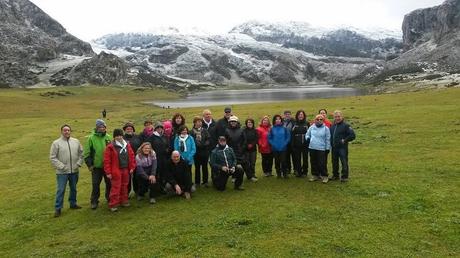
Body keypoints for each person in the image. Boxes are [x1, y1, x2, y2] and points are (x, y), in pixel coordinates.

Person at [49, 124, 84, 217]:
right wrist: (62, 167)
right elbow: (52, 158)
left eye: (68, 130)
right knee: (61, 190)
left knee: (73, 188)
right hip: (62, 172)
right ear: (61, 132)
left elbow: (82, 154)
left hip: (74, 171)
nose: (67, 132)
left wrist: (78, 164)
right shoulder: (56, 143)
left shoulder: (76, 141)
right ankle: (58, 208)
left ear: (70, 131)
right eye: (65, 130)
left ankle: (73, 204)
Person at [104, 129, 136, 212]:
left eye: (120, 135)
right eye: (117, 136)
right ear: (114, 137)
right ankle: (113, 204)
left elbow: (132, 156)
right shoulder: (110, 147)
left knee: (124, 186)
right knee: (116, 187)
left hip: (126, 169)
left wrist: (132, 167)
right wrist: (108, 172)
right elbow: (107, 161)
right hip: (116, 170)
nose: (119, 137)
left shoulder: (127, 145)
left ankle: (124, 201)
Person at [84, 119, 112, 210]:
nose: (102, 128)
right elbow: (87, 153)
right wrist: (90, 165)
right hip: (96, 167)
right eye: (100, 127)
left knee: (109, 183)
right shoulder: (91, 138)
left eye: (103, 127)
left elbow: (113, 151)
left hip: (107, 166)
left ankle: (109, 198)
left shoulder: (108, 137)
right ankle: (94, 201)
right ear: (97, 127)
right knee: (95, 184)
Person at [330, 110, 356, 182]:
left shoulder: (346, 126)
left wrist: (344, 140)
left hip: (342, 148)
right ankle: (335, 175)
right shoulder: (332, 126)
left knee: (344, 162)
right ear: (334, 117)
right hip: (334, 147)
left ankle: (344, 177)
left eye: (339, 116)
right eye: (336, 117)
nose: (337, 118)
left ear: (342, 117)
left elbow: (352, 135)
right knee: (334, 162)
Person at [306, 115, 331, 183]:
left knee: (322, 163)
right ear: (315, 120)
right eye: (317, 119)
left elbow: (327, 139)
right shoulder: (311, 127)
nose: (319, 120)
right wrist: (307, 138)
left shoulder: (326, 129)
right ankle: (315, 175)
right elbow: (307, 134)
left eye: (321, 119)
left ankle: (325, 176)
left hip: (321, 148)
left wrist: (327, 148)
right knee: (313, 162)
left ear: (323, 120)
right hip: (312, 147)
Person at [146, 122, 170, 187]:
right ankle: (155, 188)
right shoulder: (152, 137)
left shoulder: (165, 136)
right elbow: (148, 147)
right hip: (155, 158)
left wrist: (167, 149)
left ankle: (162, 187)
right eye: (158, 127)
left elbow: (168, 145)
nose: (159, 129)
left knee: (163, 173)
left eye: (161, 127)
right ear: (155, 129)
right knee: (156, 173)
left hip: (164, 158)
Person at [189, 116, 211, 187]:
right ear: (195, 122)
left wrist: (205, 144)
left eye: (201, 121)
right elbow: (191, 141)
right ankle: (197, 182)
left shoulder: (204, 130)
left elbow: (208, 139)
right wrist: (196, 144)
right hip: (196, 153)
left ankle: (205, 182)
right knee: (197, 168)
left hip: (204, 152)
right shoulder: (191, 131)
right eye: (198, 121)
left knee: (205, 167)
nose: (200, 123)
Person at [123, 122, 142, 196]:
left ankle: (137, 191)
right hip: (126, 161)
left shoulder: (137, 137)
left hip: (137, 160)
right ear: (125, 130)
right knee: (127, 178)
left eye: (131, 129)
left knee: (136, 176)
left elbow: (141, 147)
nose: (129, 130)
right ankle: (126, 192)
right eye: (127, 129)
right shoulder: (122, 138)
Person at [291, 110, 310, 177]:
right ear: (297, 116)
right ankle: (298, 171)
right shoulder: (294, 124)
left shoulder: (307, 123)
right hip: (296, 145)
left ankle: (305, 172)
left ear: (304, 116)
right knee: (297, 159)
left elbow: (309, 134)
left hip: (305, 145)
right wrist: (292, 144)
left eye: (302, 114)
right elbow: (292, 134)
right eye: (299, 114)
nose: (300, 116)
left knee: (305, 159)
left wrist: (308, 143)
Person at [282, 110, 295, 175]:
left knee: (294, 157)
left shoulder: (294, 121)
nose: (287, 115)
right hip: (285, 143)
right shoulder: (282, 122)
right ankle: (288, 169)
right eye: (286, 114)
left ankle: (295, 169)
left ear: (290, 115)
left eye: (289, 114)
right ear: (284, 115)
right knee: (286, 157)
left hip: (292, 142)